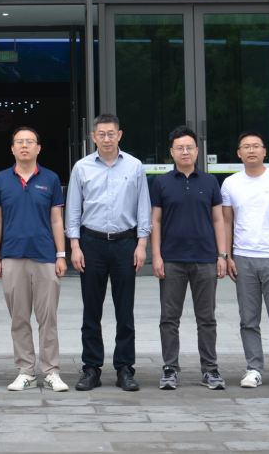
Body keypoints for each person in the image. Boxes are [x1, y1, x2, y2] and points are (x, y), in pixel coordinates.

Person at [67, 114, 151, 392]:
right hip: (91, 243)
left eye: (111, 133)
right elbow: (73, 209)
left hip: (126, 243)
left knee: (124, 310)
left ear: (119, 135)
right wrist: (75, 246)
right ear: (93, 137)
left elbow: (143, 207)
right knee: (91, 310)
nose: (106, 138)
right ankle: (91, 367)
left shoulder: (135, 166)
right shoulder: (81, 167)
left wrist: (142, 244)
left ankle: (125, 368)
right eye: (101, 134)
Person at [0, 127, 69, 393]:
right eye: (19, 142)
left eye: (30, 141)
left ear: (38, 148)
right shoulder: (1, 179)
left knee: (48, 318)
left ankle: (51, 372)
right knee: (19, 318)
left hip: (45, 257)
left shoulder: (51, 178)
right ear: (12, 149)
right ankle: (26, 372)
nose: (24, 145)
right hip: (12, 256)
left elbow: (56, 220)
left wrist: (61, 255)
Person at [149, 126, 228, 391]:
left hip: (205, 258)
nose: (185, 151)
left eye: (189, 147)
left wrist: (222, 255)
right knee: (169, 318)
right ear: (171, 152)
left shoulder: (210, 181)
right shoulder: (161, 183)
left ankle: (210, 369)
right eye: (180, 147)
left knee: (206, 318)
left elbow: (218, 220)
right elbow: (155, 221)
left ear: (197, 150)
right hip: (172, 259)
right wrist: (156, 256)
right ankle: (170, 368)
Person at [221, 131, 269, 390]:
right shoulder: (230, 183)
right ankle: (253, 369)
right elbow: (227, 221)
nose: (251, 150)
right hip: (244, 258)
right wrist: (227, 256)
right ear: (239, 153)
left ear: (265, 151)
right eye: (246, 147)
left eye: (256, 146)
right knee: (248, 319)